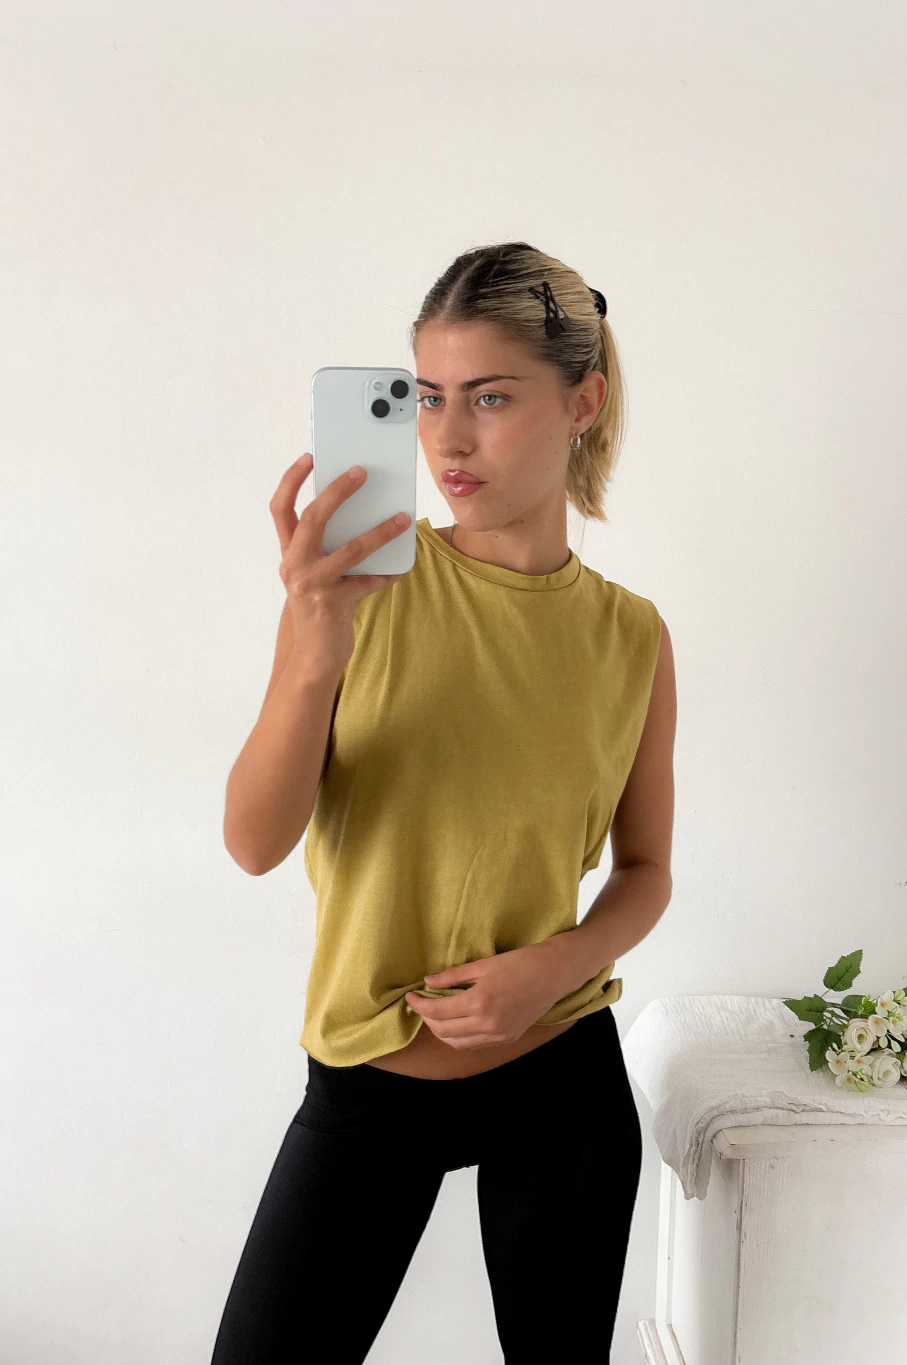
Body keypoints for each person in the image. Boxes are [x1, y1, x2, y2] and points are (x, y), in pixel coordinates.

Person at [211, 241, 677, 1364]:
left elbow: (646, 870)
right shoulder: (357, 594)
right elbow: (253, 843)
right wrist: (313, 657)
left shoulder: (631, 636)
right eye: (427, 398)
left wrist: (551, 968)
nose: (447, 439)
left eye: (490, 398)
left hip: (560, 1078)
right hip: (370, 1082)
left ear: (582, 403)